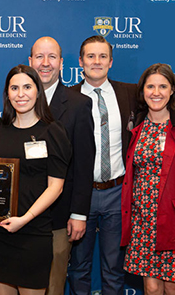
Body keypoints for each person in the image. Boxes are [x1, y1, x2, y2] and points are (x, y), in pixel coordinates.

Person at [0, 64, 72, 294]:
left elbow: (56, 187)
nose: (21, 94)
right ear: (7, 93)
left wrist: (24, 219)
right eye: (14, 88)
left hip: (32, 231)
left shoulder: (52, 131)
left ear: (38, 91)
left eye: (27, 87)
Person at [121, 63, 175, 295]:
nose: (156, 92)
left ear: (173, 90)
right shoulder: (137, 126)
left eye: (163, 86)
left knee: (173, 286)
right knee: (151, 287)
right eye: (151, 86)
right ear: (143, 91)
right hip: (142, 220)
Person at [68, 35, 137, 295]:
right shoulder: (67, 98)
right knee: (79, 267)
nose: (96, 61)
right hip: (80, 197)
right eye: (90, 56)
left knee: (113, 268)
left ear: (110, 62)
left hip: (117, 194)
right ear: (80, 62)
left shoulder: (130, 93)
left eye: (102, 56)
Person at [29, 36, 95, 295]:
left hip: (59, 215)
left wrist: (79, 213)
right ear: (30, 61)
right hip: (22, 214)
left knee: (53, 285)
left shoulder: (78, 104)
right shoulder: (18, 99)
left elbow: (83, 163)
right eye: (40, 57)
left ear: (61, 63)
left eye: (52, 57)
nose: (45, 63)